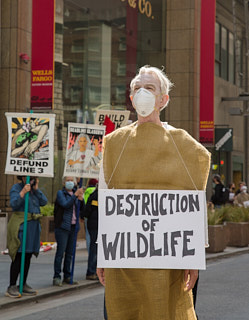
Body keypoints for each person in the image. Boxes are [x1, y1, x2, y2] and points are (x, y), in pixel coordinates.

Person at [97, 65, 210, 320]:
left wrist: (196, 255)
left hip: (169, 264)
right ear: (131, 98)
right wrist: (101, 254)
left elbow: (195, 203)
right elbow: (107, 201)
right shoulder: (114, 143)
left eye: (150, 88)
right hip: (125, 262)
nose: (142, 93)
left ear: (163, 99)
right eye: (137, 88)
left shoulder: (186, 146)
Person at [6, 176, 48, 298]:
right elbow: (13, 204)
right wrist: (23, 192)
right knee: (18, 255)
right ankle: (12, 285)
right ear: (22, 177)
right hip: (22, 225)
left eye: (34, 178)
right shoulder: (16, 188)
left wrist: (36, 189)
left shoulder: (35, 191)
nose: (31, 180)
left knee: (28, 255)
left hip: (33, 227)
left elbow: (44, 202)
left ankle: (23, 284)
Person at [53, 176, 84, 286]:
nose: (70, 182)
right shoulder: (60, 193)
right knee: (60, 253)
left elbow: (82, 209)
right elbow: (65, 205)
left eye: (72, 180)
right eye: (68, 180)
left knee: (70, 253)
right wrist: (75, 196)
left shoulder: (77, 193)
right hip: (63, 227)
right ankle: (57, 276)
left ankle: (67, 275)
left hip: (73, 227)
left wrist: (81, 199)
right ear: (63, 183)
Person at [81, 180, 99, 280]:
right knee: (94, 249)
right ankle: (91, 271)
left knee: (95, 249)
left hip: (95, 225)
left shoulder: (94, 195)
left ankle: (94, 271)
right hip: (95, 226)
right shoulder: (95, 196)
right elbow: (88, 210)